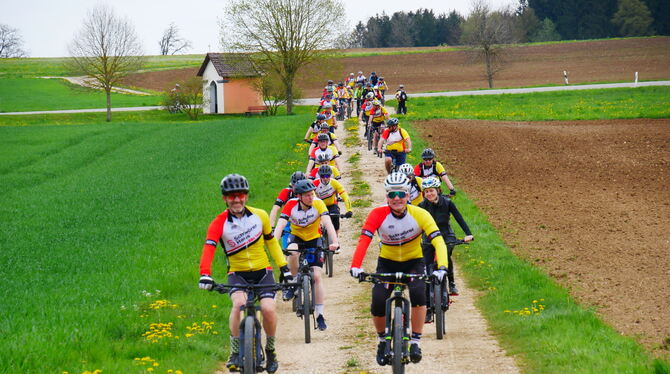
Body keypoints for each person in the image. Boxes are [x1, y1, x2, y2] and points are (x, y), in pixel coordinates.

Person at [350, 173, 449, 366]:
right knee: (378, 301)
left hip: (414, 262)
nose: (397, 198)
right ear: (386, 196)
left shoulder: (420, 214)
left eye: (401, 194)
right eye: (392, 194)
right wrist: (355, 266)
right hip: (387, 262)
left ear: (408, 195)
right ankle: (381, 341)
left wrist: (442, 267)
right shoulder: (377, 214)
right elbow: (364, 240)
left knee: (419, 294)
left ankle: (415, 342)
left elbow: (438, 241)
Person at [198, 174, 291, 373]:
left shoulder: (261, 216)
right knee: (239, 304)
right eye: (231, 196)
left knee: (268, 309)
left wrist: (284, 268)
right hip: (237, 273)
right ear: (224, 198)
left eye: (240, 195)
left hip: (262, 271)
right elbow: (209, 248)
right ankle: (234, 352)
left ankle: (271, 350)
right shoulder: (219, 223)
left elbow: (271, 242)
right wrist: (205, 273)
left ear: (246, 196)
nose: (237, 199)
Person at [274, 179, 340, 331]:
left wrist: (335, 242)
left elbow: (328, 223)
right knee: (292, 252)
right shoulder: (291, 205)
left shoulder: (318, 203)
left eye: (312, 194)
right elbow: (281, 226)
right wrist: (274, 244)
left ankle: (320, 315)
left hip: (313, 239)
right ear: (299, 197)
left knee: (316, 276)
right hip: (296, 236)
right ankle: (293, 282)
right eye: (307, 195)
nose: (311, 197)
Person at [418, 177, 473, 297]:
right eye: (426, 191)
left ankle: (451, 282)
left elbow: (459, 218)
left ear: (438, 190)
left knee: (446, 256)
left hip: (446, 235)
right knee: (427, 265)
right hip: (428, 237)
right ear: (423, 193)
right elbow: (416, 223)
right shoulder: (421, 206)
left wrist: (468, 234)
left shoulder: (447, 202)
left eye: (431, 190)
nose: (429, 194)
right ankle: (428, 304)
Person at [269, 171, 308, 248]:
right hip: (289, 223)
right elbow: (275, 209)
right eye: (294, 185)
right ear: (291, 184)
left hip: (305, 222)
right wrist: (271, 227)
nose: (297, 189)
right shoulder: (286, 192)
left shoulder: (309, 193)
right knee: (287, 251)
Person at [312, 164, 353, 236]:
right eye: (322, 176)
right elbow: (313, 199)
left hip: (332, 205)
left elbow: (345, 196)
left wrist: (349, 210)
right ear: (319, 176)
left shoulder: (334, 183)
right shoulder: (314, 184)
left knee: (336, 220)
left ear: (330, 175)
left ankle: (336, 240)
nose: (325, 178)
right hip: (320, 206)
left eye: (327, 176)